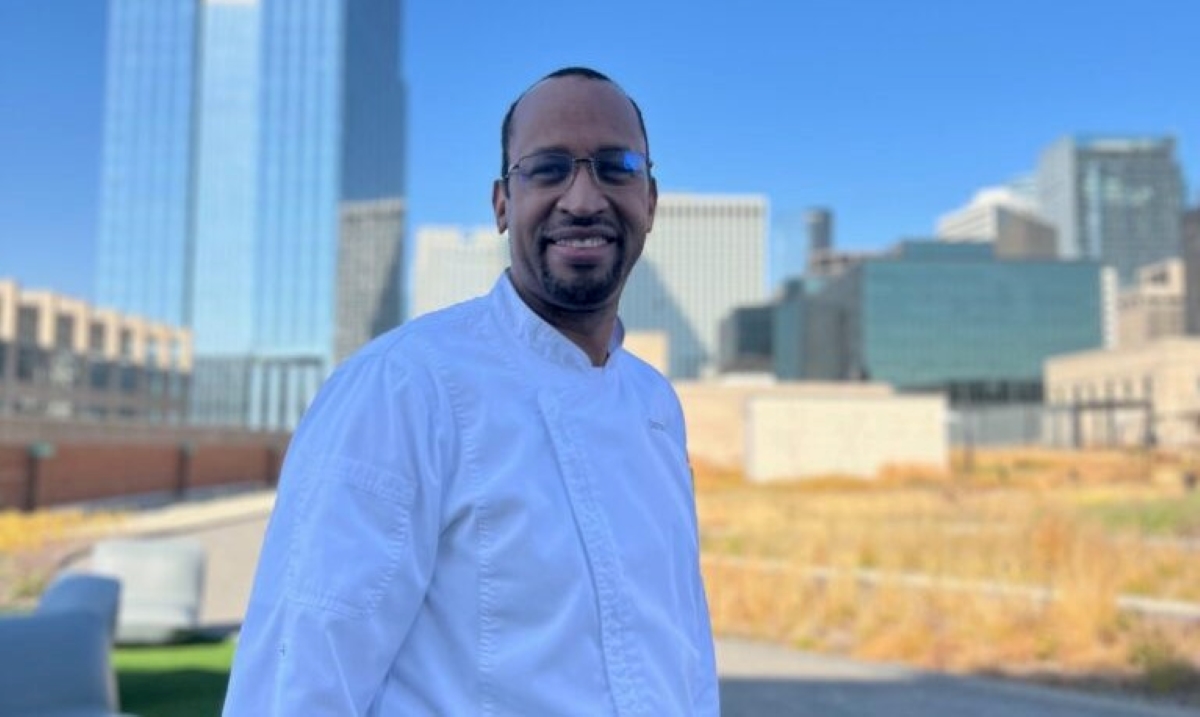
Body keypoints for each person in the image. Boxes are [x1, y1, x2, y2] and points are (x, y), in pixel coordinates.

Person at [222, 66, 719, 715]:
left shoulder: (654, 406)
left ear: (649, 200)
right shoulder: (402, 387)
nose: (582, 199)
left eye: (615, 167)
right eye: (547, 169)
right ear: (502, 204)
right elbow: (299, 682)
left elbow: (684, 651)